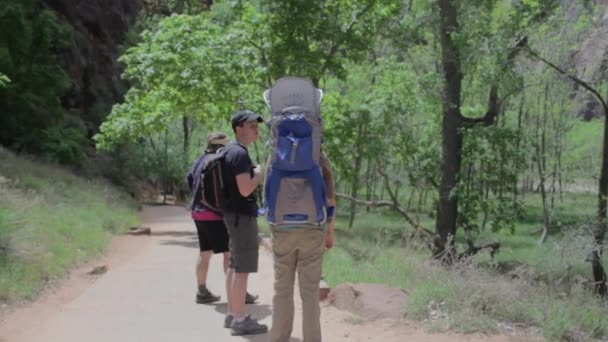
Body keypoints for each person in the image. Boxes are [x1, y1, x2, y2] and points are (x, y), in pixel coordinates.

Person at [267, 151, 336, 342]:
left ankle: (278, 338)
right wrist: (329, 231)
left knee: (282, 289)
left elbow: (268, 193)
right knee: (310, 292)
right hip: (312, 230)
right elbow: (330, 200)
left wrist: (274, 228)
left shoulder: (275, 153)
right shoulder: (318, 154)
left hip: (282, 229)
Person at [186, 131, 259, 305]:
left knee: (205, 253)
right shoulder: (218, 161)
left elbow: (189, 180)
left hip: (198, 212)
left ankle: (202, 291)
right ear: (222, 145)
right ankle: (238, 295)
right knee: (229, 254)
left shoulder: (199, 161)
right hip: (215, 214)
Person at [222, 110, 268, 336]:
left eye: (256, 126)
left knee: (234, 265)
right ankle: (240, 319)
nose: (256, 129)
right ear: (239, 127)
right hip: (242, 216)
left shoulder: (229, 151)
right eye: (251, 125)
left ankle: (233, 313)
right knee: (242, 269)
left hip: (234, 216)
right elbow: (245, 188)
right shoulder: (239, 154)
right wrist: (259, 173)